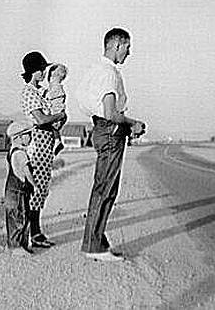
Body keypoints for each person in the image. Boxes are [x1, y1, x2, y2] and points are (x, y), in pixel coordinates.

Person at [76, 28, 146, 261]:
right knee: (105, 188)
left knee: (103, 187)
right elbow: (110, 112)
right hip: (110, 131)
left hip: (102, 130)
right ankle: (93, 245)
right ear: (116, 45)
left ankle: (97, 239)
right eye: (127, 46)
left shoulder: (95, 70)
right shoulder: (109, 73)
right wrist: (133, 123)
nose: (129, 52)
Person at [20, 51, 67, 248]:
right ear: (34, 71)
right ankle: (34, 233)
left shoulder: (39, 92)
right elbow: (40, 119)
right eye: (40, 69)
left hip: (45, 144)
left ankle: (35, 232)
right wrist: (58, 117)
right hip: (37, 144)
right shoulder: (29, 93)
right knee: (36, 189)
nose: (43, 72)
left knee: (41, 189)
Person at [4, 121, 36, 254]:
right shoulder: (20, 154)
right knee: (18, 218)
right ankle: (16, 246)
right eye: (27, 135)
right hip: (17, 191)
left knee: (19, 216)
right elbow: (27, 171)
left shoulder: (12, 152)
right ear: (18, 138)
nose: (30, 137)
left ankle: (20, 244)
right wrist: (35, 185)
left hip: (13, 189)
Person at [45, 63, 68, 155]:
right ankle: (57, 140)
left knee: (52, 124)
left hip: (56, 108)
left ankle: (57, 140)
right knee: (54, 127)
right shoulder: (56, 85)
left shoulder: (55, 86)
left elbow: (52, 96)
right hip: (59, 108)